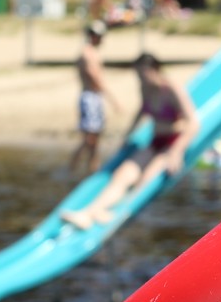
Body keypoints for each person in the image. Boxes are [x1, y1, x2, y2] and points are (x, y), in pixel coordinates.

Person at [60, 54, 197, 230]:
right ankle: (90, 212)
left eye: (142, 74)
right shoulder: (146, 88)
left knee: (146, 179)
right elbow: (141, 111)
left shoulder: (171, 88)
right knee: (123, 174)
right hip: (155, 142)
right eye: (138, 75)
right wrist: (127, 136)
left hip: (172, 144)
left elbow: (193, 123)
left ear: (154, 71)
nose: (140, 79)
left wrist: (176, 152)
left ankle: (117, 214)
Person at [70, 21, 123, 175]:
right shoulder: (87, 55)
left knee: (95, 138)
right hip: (90, 98)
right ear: (93, 36)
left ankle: (93, 169)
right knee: (89, 139)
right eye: (100, 36)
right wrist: (114, 101)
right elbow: (96, 80)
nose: (102, 40)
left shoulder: (91, 53)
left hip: (94, 98)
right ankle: (72, 168)